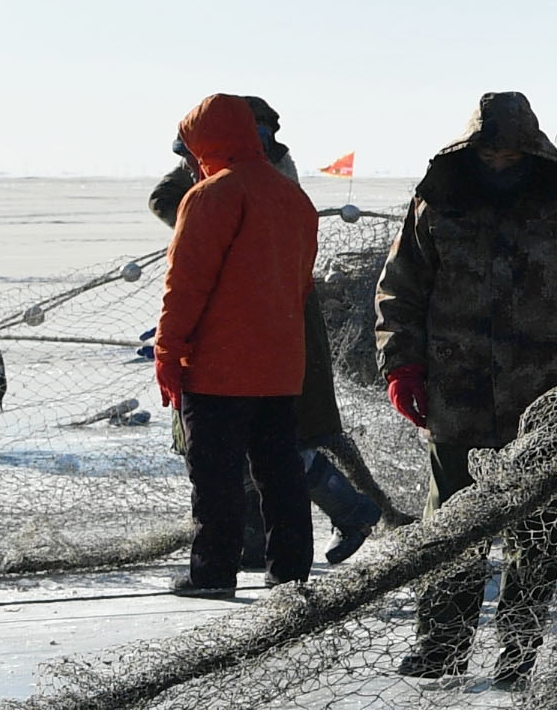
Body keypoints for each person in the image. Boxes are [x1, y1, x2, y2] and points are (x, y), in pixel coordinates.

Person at [375, 92, 557, 685]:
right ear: (470, 149)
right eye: (488, 153)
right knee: (451, 525)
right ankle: (440, 646)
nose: (499, 164)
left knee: (535, 526)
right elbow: (400, 291)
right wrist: (401, 366)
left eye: (510, 154)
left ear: (531, 150)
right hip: (455, 391)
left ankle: (519, 652)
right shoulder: (436, 199)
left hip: (545, 396)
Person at [146, 99, 389, 560]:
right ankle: (275, 550)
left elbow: (186, 284)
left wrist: (168, 349)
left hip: (234, 342)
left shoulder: (218, 190)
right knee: (274, 450)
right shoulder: (279, 187)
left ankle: (334, 516)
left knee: (247, 452)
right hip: (280, 334)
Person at [153, 94, 325, 598]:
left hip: (217, 368)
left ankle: (212, 573)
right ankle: (290, 573)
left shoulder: (209, 197)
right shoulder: (294, 199)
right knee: (280, 473)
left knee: (215, 476)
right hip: (279, 366)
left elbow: (184, 285)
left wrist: (168, 353)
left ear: (204, 144)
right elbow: (301, 284)